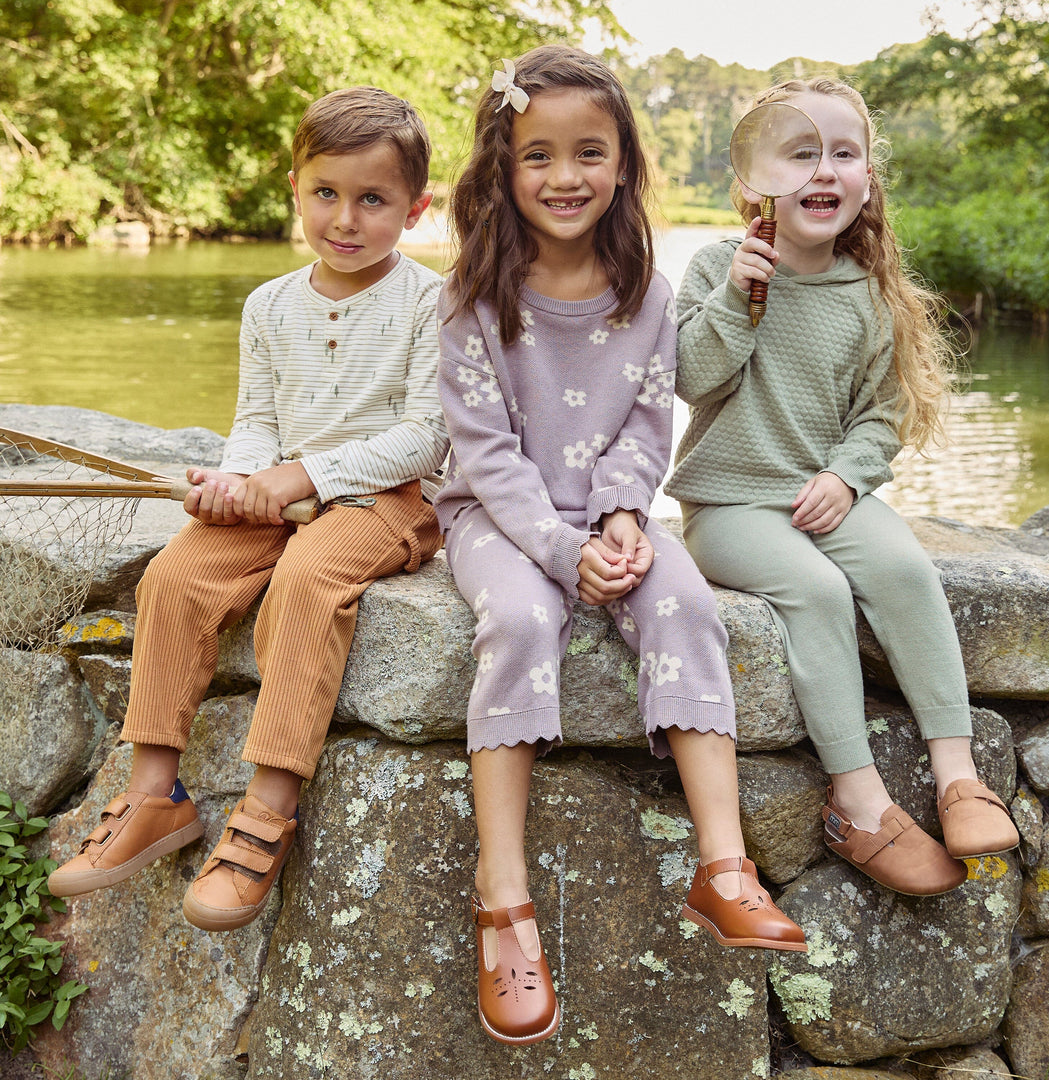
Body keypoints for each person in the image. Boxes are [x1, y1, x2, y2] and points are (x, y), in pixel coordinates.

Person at [436, 45, 807, 1047]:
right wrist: (565, 554)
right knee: (520, 620)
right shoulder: (472, 296)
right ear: (503, 168)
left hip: (613, 516)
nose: (566, 176)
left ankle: (723, 867)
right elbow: (489, 458)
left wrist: (623, 521)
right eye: (539, 155)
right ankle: (502, 894)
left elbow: (646, 431)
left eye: (589, 152)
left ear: (624, 163)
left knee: (683, 603)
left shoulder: (645, 289)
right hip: (497, 518)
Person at [48, 86, 448, 931]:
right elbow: (257, 421)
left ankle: (266, 810)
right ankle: (155, 796)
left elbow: (426, 438)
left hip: (385, 501)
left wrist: (305, 474)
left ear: (414, 211)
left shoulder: (431, 302)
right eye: (326, 193)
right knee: (176, 575)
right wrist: (234, 482)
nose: (344, 219)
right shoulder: (268, 305)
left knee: (305, 583)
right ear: (295, 188)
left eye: (373, 200)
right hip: (277, 492)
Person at [670, 77, 1019, 899]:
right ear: (759, 176)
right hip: (729, 506)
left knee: (903, 568)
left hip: (824, 493)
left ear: (868, 177)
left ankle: (958, 776)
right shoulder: (720, 266)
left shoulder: (869, 291)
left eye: (843, 153)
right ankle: (859, 803)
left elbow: (882, 415)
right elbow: (690, 377)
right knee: (819, 591)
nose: (823, 170)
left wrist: (844, 475)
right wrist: (739, 298)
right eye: (800, 153)